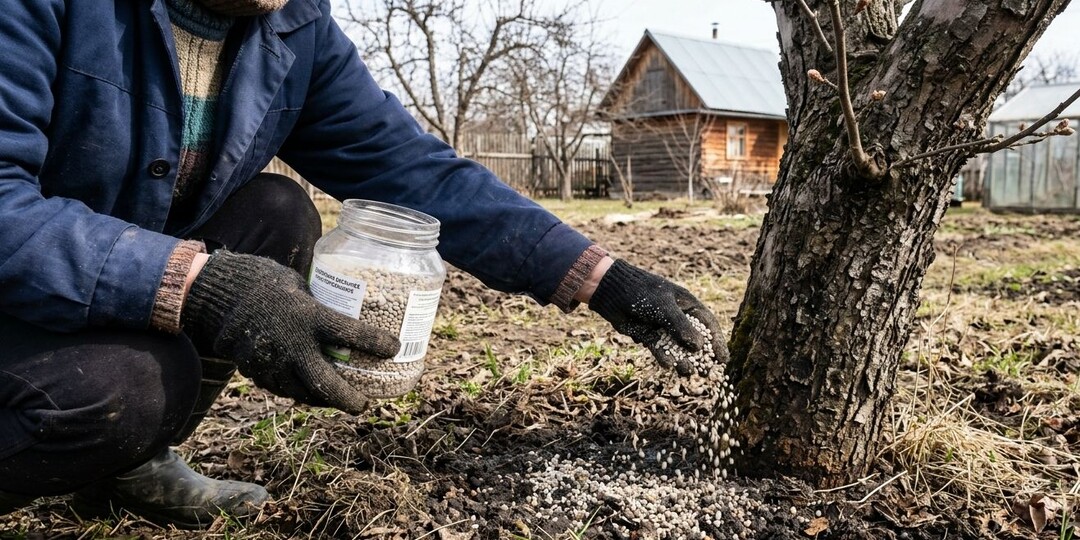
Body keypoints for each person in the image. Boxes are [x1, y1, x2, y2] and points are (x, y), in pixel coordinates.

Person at [0, 0, 725, 530]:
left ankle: (130, 464)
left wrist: (598, 277)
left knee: (278, 212)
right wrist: (200, 285)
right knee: (122, 388)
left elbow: (411, 170)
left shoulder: (292, 31)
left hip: (94, 279)